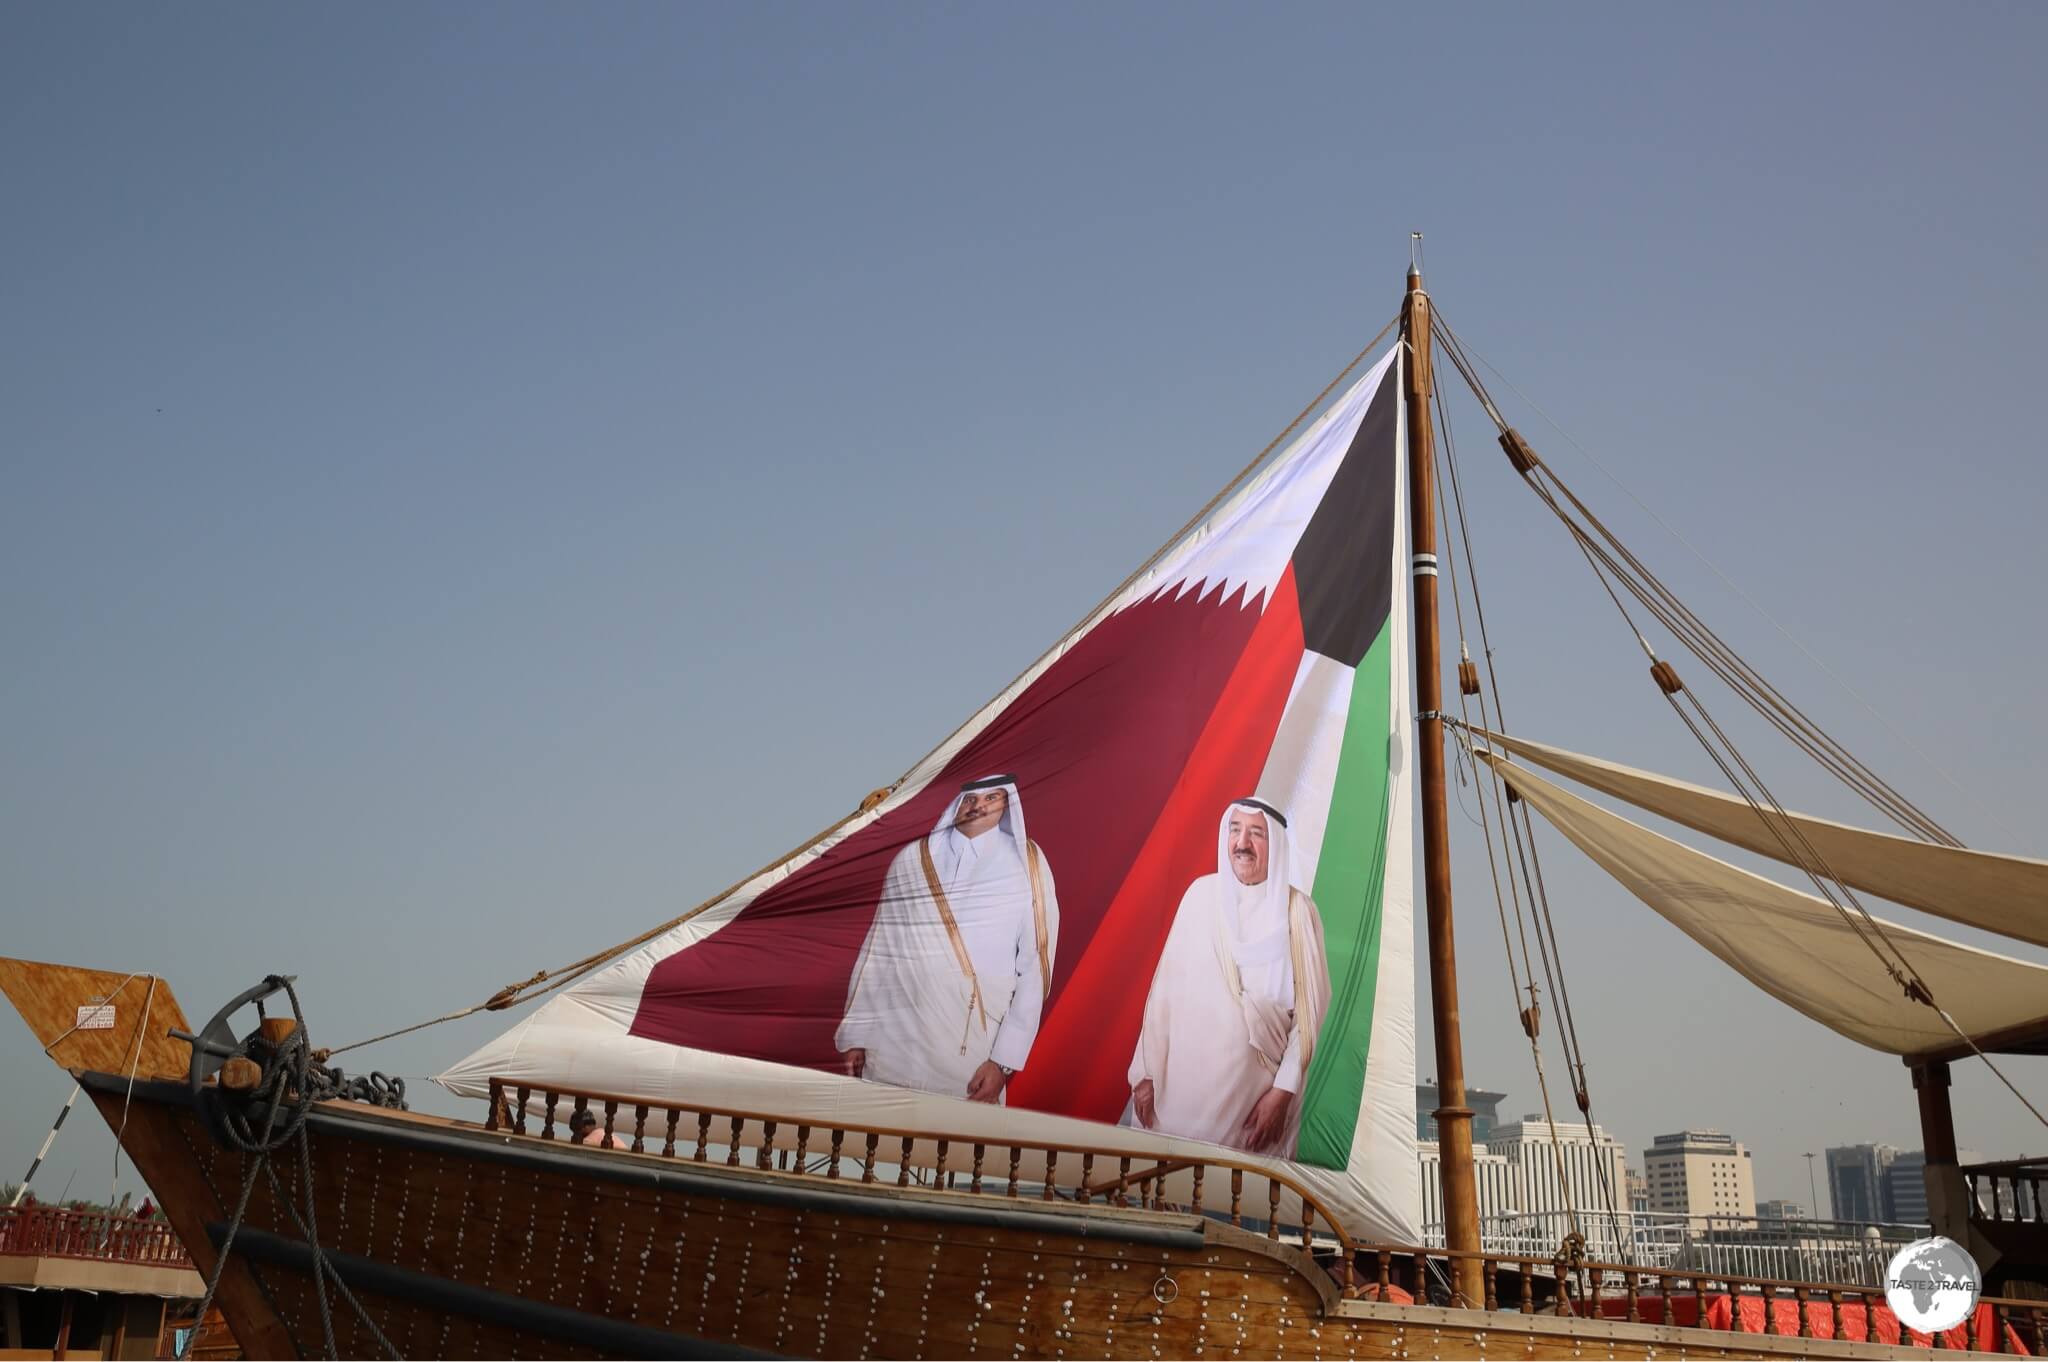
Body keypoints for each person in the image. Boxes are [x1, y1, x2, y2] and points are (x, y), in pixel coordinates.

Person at [1124, 798, 1331, 1155]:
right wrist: (1143, 1073)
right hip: (1177, 1096)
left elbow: (1308, 1020)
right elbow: (1163, 994)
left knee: (1235, 1197)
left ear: (1277, 843)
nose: (1242, 843)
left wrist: (1282, 1093)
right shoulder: (1200, 896)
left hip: (1251, 1107)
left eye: (1256, 833)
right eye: (1235, 830)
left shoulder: (1298, 912)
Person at [836, 775, 1060, 1103]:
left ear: (1006, 804)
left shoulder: (1027, 863)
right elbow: (879, 951)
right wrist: (856, 1035)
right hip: (894, 1043)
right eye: (971, 798)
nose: (979, 806)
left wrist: (1003, 1062)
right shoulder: (912, 859)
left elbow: (1035, 967)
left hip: (971, 1047)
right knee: (880, 1142)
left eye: (991, 798)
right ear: (957, 803)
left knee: (959, 1148)